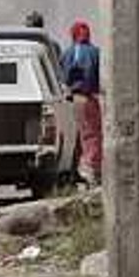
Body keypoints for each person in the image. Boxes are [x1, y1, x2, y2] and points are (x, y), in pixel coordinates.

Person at [61, 20, 104, 184]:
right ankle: (92, 171)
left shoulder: (67, 53)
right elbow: (100, 78)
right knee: (92, 135)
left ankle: (73, 171)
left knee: (75, 136)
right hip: (87, 99)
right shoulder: (94, 52)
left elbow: (62, 77)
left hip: (70, 100)